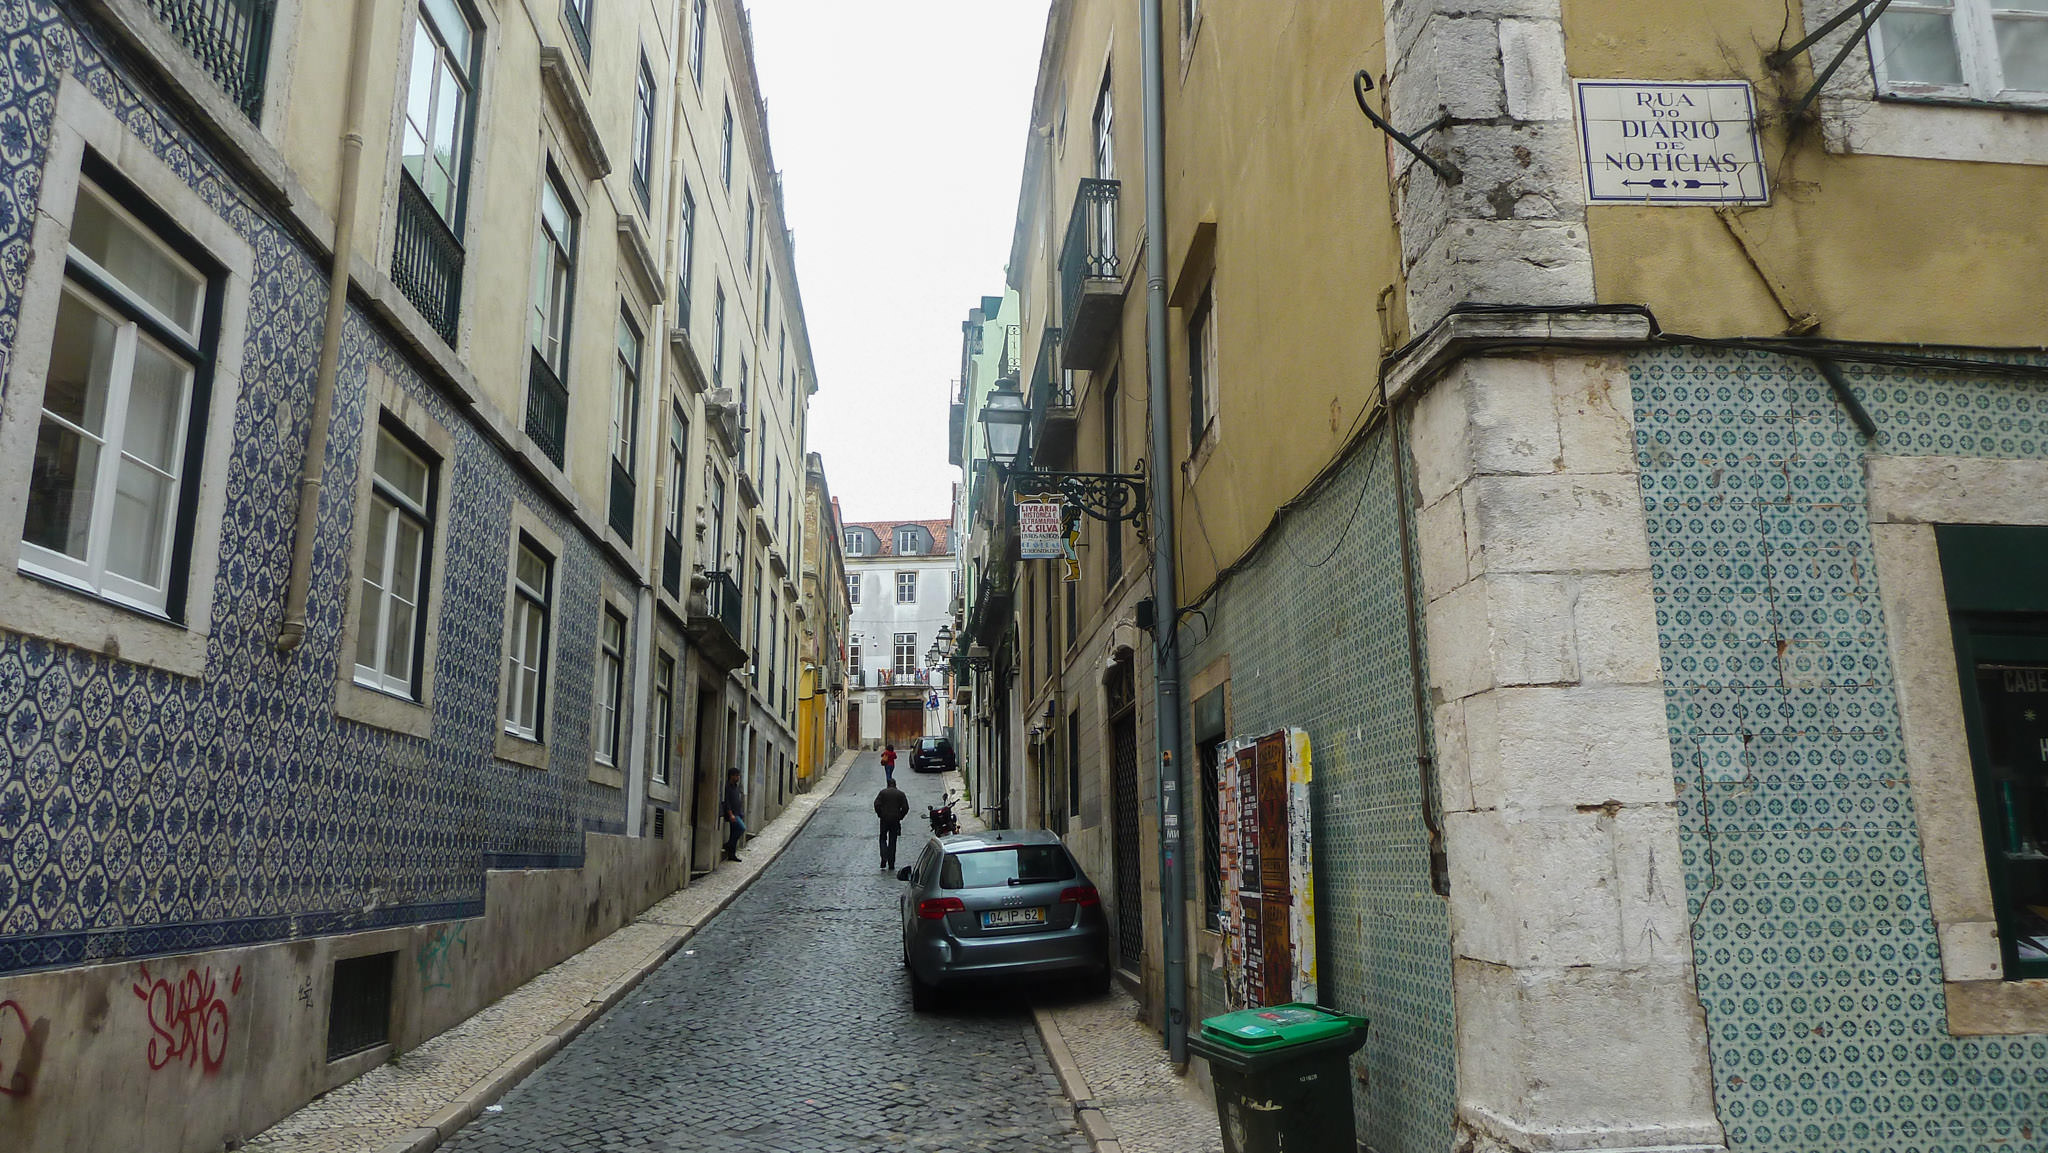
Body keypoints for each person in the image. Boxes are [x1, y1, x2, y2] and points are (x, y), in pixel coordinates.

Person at [874, 778, 910, 870]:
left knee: (882, 838)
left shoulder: (882, 793)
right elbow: (906, 807)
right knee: (892, 841)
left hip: (884, 819)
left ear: (888, 784)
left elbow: (876, 804)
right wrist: (900, 816)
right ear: (895, 784)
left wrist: (880, 814)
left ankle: (884, 856)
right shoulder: (901, 794)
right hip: (895, 820)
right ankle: (891, 863)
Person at [721, 768, 746, 862]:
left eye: (738, 775)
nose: (738, 777)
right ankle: (729, 845)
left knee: (733, 833)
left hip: (737, 813)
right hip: (732, 814)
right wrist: (730, 814)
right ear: (731, 776)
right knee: (741, 828)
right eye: (736, 775)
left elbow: (737, 800)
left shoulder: (736, 787)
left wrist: (741, 812)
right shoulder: (727, 786)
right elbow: (727, 802)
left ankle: (732, 854)